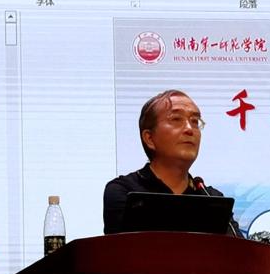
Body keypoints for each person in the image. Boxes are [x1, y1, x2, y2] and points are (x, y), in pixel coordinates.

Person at [103, 90, 241, 236]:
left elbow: (239, 248)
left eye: (195, 121)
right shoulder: (124, 191)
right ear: (149, 138)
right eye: (176, 119)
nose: (189, 129)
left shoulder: (211, 198)